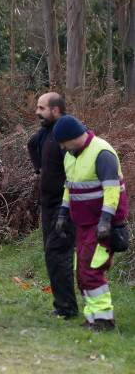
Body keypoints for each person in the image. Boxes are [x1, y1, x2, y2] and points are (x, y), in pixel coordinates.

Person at [51, 115, 129, 332]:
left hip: (101, 225)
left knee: (92, 270)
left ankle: (104, 321)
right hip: (83, 224)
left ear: (72, 137)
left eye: (63, 142)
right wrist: (63, 214)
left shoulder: (102, 153)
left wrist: (105, 221)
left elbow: (111, 190)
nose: (62, 147)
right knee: (82, 270)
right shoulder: (71, 155)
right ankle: (94, 318)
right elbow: (70, 187)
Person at [26, 92, 78, 319]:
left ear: (56, 110)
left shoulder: (70, 134)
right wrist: (39, 168)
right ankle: (61, 306)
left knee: (59, 254)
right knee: (51, 254)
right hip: (47, 206)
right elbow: (31, 144)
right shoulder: (45, 132)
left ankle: (67, 309)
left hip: (65, 206)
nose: (37, 112)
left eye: (41, 108)